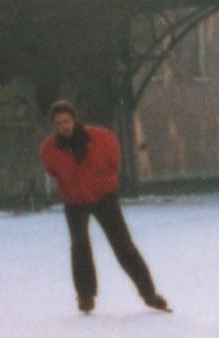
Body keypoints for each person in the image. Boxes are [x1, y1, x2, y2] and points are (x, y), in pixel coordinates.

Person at [39, 100, 170, 315]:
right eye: (58, 123)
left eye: (67, 121)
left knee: (123, 246)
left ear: (74, 119)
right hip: (74, 202)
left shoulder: (101, 138)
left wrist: (102, 181)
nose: (64, 126)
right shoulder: (49, 149)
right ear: (54, 125)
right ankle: (86, 297)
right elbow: (53, 171)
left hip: (104, 198)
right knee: (79, 247)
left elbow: (113, 161)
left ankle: (149, 294)